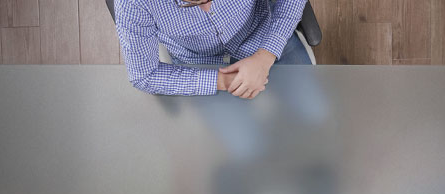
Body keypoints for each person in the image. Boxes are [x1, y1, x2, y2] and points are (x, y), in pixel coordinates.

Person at [113, 0, 311, 98]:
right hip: (200, 65)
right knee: (244, 149)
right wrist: (223, 81)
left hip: (263, 35)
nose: (208, 8)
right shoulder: (132, 3)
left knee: (315, 119)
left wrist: (265, 55)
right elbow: (144, 75)